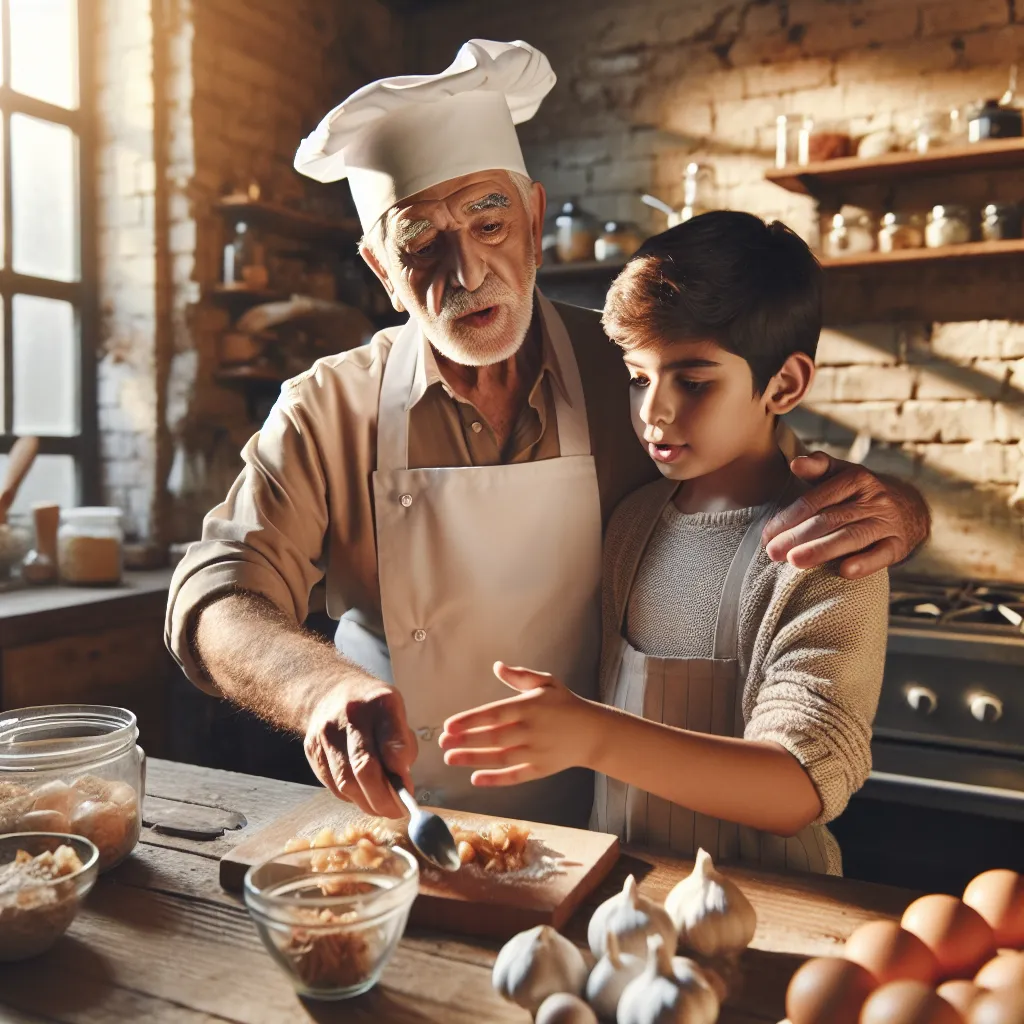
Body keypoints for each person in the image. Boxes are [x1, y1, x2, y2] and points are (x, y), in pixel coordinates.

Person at [165, 40, 928, 832]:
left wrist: (901, 510)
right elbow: (215, 595)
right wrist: (320, 690)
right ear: (380, 269)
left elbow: (775, 471)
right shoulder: (328, 407)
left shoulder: (634, 373)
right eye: (419, 241)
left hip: (613, 830)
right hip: (408, 824)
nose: (467, 272)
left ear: (533, 217)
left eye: (489, 219)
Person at [439, 212, 889, 873]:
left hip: (770, 911)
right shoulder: (633, 523)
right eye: (638, 377)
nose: (654, 411)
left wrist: (592, 734)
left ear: (785, 384)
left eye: (694, 380)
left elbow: (798, 785)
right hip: (625, 892)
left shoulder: (823, 550)